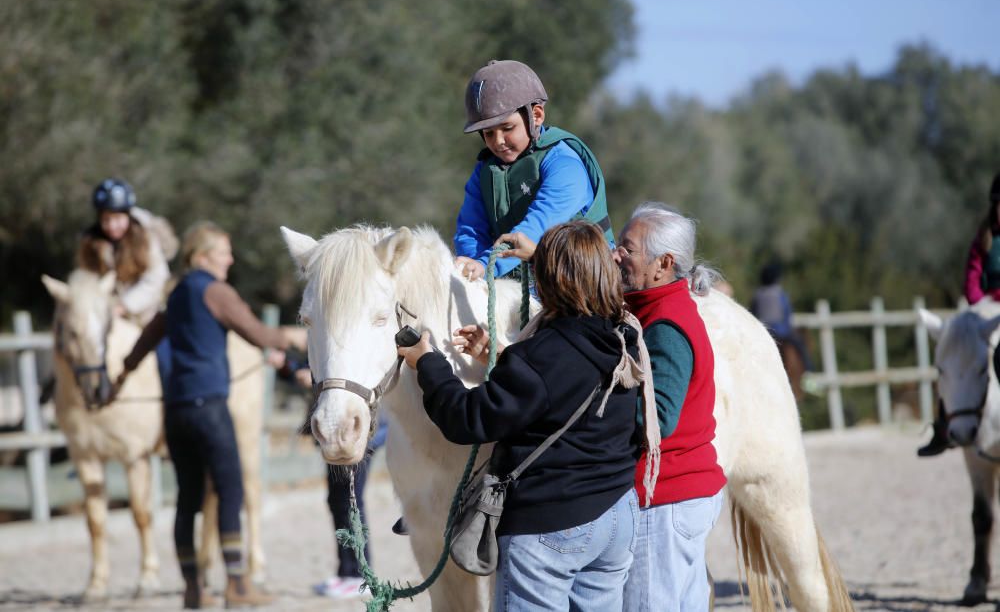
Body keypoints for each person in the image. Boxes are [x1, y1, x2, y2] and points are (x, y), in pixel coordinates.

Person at [399, 221, 659, 611]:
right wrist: (499, 356)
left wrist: (429, 364)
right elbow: (562, 388)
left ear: (549, 280)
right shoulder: (624, 336)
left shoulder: (542, 353)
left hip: (551, 525)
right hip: (615, 517)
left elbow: (468, 419)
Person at [118, 221, 293, 609]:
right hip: (210, 407)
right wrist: (296, 338)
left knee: (187, 498)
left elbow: (147, 337)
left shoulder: (177, 294)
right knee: (230, 490)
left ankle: (192, 588)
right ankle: (236, 584)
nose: (229, 259)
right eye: (222, 252)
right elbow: (259, 335)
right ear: (201, 257)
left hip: (176, 411)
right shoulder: (215, 291)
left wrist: (121, 374)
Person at [614, 202, 727, 612]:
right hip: (677, 495)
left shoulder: (665, 324)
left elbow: (656, 418)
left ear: (663, 263)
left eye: (628, 249)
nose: (616, 255)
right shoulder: (660, 311)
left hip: (664, 499)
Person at [453, 59, 614, 281]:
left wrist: (484, 266)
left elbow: (536, 228)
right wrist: (471, 270)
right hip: (521, 287)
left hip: (584, 286)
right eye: (488, 133)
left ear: (536, 116)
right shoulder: (484, 171)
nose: (498, 141)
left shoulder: (565, 165)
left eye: (507, 128)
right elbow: (470, 230)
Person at [275, 352, 387, 600]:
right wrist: (290, 367)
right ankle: (347, 572)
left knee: (350, 501)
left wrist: (303, 374)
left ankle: (360, 574)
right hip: (342, 433)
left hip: (354, 434)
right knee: (338, 501)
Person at [919, 172, 1000, 457]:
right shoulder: (984, 239)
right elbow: (972, 275)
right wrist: (980, 303)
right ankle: (943, 425)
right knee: (951, 358)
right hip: (982, 311)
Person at [77, 178, 176, 325]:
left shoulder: (145, 237)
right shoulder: (92, 243)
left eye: (117, 218)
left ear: (128, 215)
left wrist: (125, 306)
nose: (112, 226)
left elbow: (156, 279)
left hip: (148, 316)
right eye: (106, 219)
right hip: (107, 317)